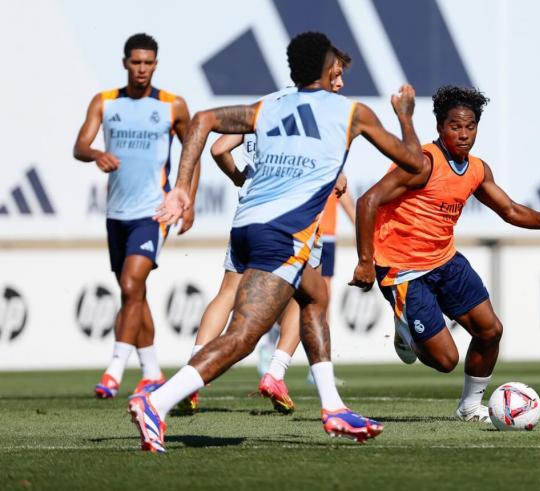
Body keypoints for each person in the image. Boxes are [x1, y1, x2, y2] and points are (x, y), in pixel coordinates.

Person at [128, 31, 426, 452]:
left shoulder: (269, 105)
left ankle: (333, 407)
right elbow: (417, 165)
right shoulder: (352, 112)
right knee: (244, 337)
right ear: (329, 70)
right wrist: (406, 116)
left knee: (315, 296)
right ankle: (156, 403)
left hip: (247, 226)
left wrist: (182, 189)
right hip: (282, 234)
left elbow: (202, 122)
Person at [350, 85, 540, 422]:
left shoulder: (476, 169)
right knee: (445, 360)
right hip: (402, 269)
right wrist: (364, 261)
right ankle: (409, 338)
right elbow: (367, 201)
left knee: (491, 331)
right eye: (454, 126)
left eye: (470, 126)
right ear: (439, 128)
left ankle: (470, 408)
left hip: (444, 260)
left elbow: (509, 210)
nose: (463, 134)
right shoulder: (423, 163)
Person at [174, 49, 351, 416]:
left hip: (251, 211)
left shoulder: (267, 106)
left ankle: (191, 372)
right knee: (307, 296)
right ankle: (276, 372)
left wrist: (242, 178)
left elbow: (220, 147)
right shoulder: (322, 112)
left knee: (227, 291)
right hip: (298, 218)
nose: (340, 83)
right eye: (335, 76)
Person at [73, 33, 199, 399]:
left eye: (148, 63)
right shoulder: (106, 102)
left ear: (156, 64)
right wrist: (96, 154)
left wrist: (186, 198)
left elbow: (193, 151)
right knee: (134, 293)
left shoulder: (173, 105)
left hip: (153, 212)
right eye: (136, 62)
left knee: (130, 285)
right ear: (125, 63)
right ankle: (152, 371)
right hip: (117, 214)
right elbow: (79, 145)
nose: (142, 69)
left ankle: (114, 370)